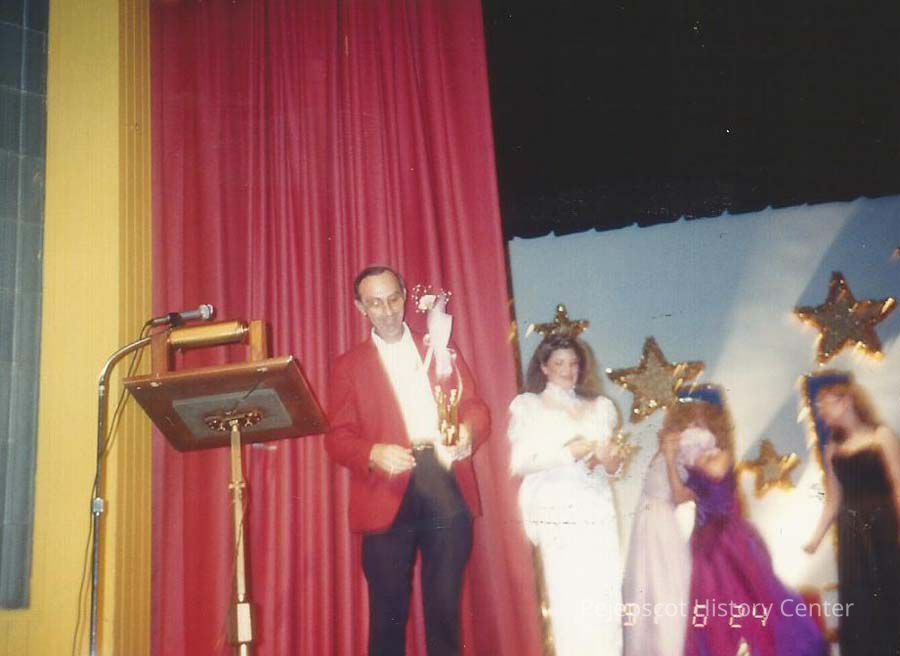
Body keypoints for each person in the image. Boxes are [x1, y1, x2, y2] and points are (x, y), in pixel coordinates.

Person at [324, 265, 490, 656]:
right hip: (385, 490)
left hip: (443, 481)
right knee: (388, 616)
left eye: (393, 299)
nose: (387, 311)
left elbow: (475, 408)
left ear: (404, 296)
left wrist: (468, 432)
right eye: (375, 303)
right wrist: (373, 452)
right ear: (360, 307)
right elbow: (337, 438)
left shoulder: (440, 347)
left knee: (445, 612)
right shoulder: (348, 366)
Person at [663, 389, 827, 656]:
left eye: (698, 418)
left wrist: (691, 453)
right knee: (714, 616)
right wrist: (672, 459)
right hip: (704, 545)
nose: (691, 425)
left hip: (731, 543)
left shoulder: (721, 454)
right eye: (688, 419)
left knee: (752, 605)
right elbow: (680, 496)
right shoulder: (695, 457)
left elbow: (715, 472)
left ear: (711, 420)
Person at [507, 334, 624, 656]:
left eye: (573, 363)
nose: (567, 370)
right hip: (558, 512)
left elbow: (610, 469)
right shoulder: (529, 406)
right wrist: (568, 453)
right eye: (559, 363)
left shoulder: (601, 408)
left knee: (605, 598)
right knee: (570, 600)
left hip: (596, 510)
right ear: (544, 368)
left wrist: (609, 460)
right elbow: (520, 462)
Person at [803, 375, 900, 656]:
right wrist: (815, 538)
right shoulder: (832, 448)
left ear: (846, 402)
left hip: (883, 526)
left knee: (890, 590)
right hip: (852, 534)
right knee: (861, 600)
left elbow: (898, 485)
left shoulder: (881, 436)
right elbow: (833, 500)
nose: (821, 412)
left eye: (825, 404)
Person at [622, 398, 717, 656]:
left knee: (665, 593)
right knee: (653, 594)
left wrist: (672, 458)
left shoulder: (687, 445)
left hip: (660, 524)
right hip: (650, 525)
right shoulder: (674, 443)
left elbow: (680, 494)